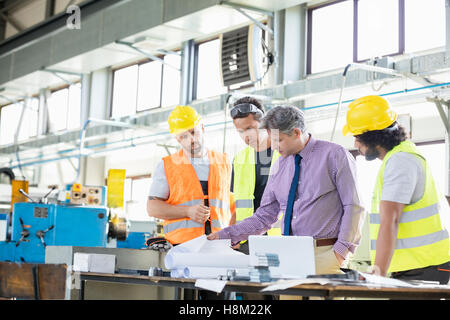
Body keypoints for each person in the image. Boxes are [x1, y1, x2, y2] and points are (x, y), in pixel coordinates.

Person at [208, 104, 366, 276]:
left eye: (278, 140)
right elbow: (264, 216)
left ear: (297, 133)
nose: (274, 146)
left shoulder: (334, 155)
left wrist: (341, 251)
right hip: (289, 254)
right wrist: (227, 234)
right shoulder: (279, 166)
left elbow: (354, 206)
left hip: (325, 253)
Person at [342, 95, 450, 284]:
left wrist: (378, 274)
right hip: (417, 265)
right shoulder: (400, 157)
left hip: (425, 266)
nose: (355, 144)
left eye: (357, 137)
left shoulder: (401, 161)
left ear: (373, 137)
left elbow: (390, 221)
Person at [147, 105, 236, 300]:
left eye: (193, 132)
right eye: (183, 136)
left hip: (219, 250)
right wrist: (187, 211)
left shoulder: (225, 161)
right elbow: (152, 207)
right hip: (184, 250)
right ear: (176, 139)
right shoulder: (167, 165)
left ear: (202, 128)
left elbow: (231, 204)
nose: (191, 140)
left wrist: (235, 235)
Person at [230, 97, 281, 255]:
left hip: (281, 238)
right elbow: (238, 206)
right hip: (248, 241)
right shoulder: (239, 159)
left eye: (250, 128)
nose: (246, 136)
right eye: (240, 131)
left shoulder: (284, 152)